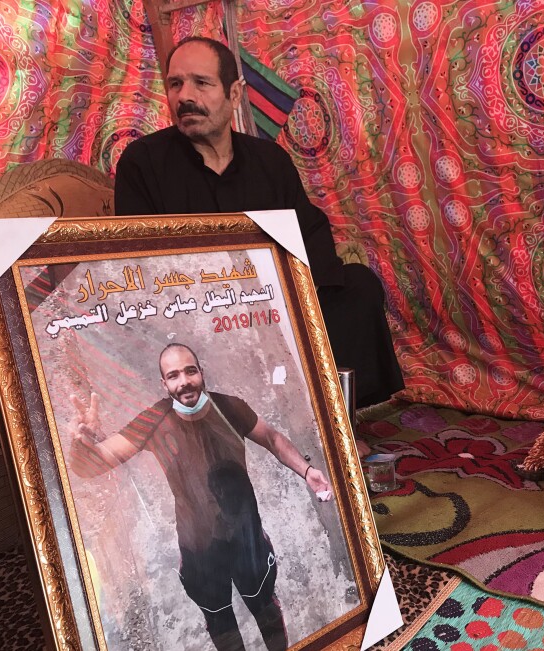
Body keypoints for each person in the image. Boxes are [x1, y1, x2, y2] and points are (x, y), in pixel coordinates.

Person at [114, 36, 404, 408]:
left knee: (357, 286)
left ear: (235, 94)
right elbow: (134, 260)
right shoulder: (143, 163)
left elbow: (308, 230)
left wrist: (295, 299)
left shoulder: (270, 160)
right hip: (194, 309)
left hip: (274, 303)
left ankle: (337, 419)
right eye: (175, 84)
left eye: (201, 83)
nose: (185, 95)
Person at [69, 343, 331, 651]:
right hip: (199, 549)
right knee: (221, 625)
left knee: (266, 610)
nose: (184, 382)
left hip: (247, 539)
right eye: (174, 375)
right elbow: (89, 466)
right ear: (163, 383)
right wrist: (82, 440)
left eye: (190, 371)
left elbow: (271, 438)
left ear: (201, 373)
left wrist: (306, 470)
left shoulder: (230, 407)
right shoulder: (154, 421)